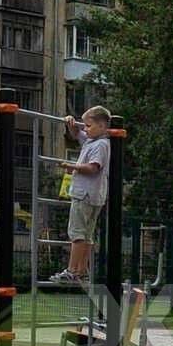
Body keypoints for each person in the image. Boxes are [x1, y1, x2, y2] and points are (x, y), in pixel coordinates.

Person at [51, 106, 112, 284]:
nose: (85, 128)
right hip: (94, 196)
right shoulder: (93, 140)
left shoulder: (100, 145)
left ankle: (71, 271)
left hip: (84, 195)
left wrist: (72, 166)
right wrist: (71, 124)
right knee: (86, 235)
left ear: (102, 126)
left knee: (77, 233)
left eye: (88, 126)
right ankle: (81, 271)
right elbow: (77, 134)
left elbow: (93, 167)